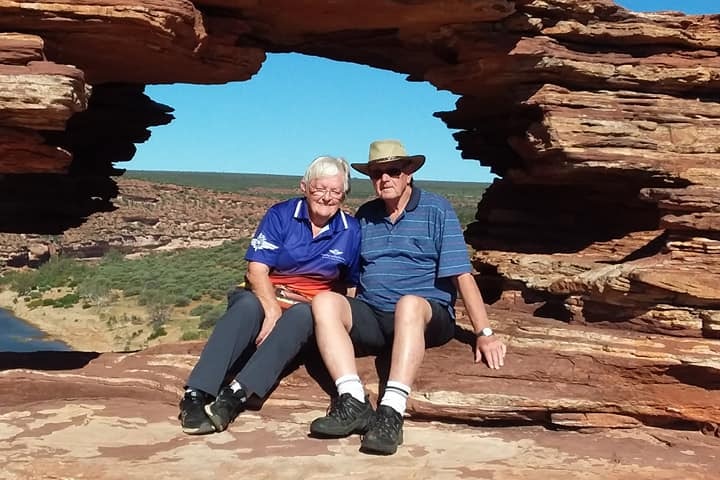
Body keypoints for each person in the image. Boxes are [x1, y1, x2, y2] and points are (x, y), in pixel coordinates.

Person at [309, 140, 507, 455]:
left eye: (393, 171)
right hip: (375, 315)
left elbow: (461, 274)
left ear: (408, 174)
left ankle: (391, 412)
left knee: (409, 304)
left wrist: (484, 333)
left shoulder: (436, 209)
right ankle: (353, 401)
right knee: (323, 302)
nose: (384, 178)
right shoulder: (366, 215)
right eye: (377, 173)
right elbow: (353, 277)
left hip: (426, 316)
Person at [179, 155, 360, 435]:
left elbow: (349, 286)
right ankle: (195, 393)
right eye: (319, 189)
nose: (326, 197)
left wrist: (338, 328)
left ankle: (236, 395)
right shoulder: (281, 214)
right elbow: (256, 270)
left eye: (335, 191)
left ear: (344, 195)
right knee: (247, 306)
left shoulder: (350, 230)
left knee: (302, 315)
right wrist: (273, 310)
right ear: (304, 187)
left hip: (310, 308)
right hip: (267, 293)